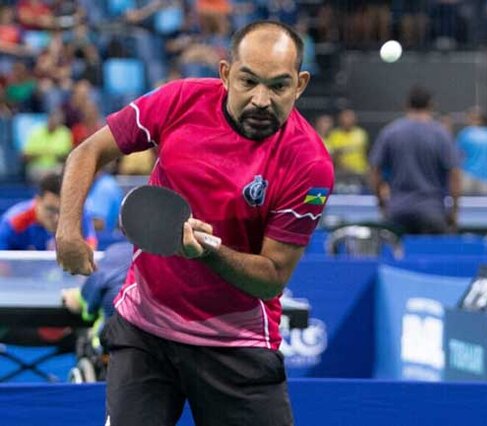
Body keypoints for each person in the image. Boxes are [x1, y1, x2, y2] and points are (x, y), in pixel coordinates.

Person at [55, 20, 334, 426]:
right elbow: (88, 151)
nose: (261, 100)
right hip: (145, 330)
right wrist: (68, 229)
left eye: (278, 86)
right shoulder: (180, 100)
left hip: (236, 344)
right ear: (225, 74)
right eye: (248, 81)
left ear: (300, 84)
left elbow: (272, 278)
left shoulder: (309, 165)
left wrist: (208, 253)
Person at [369, 85, 461, 234]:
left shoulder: (390, 132)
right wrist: (454, 213)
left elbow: (374, 170)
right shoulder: (442, 134)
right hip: (432, 212)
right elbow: (454, 175)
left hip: (398, 212)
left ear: (406, 105)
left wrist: (381, 204)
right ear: (431, 105)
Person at [0, 173, 96, 250]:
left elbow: (90, 253)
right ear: (38, 201)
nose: (56, 218)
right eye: (50, 209)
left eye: (63, 212)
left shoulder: (79, 215)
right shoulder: (13, 223)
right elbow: (2, 263)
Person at [456, 106, 487, 195]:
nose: (469, 120)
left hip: (479, 176)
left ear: (480, 119)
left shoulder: (465, 134)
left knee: (467, 201)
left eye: (471, 117)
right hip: (471, 175)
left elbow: (457, 154)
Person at [326, 108, 369, 180]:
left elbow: (366, 152)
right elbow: (331, 155)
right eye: (346, 117)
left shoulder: (361, 133)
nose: (348, 120)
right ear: (340, 119)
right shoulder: (334, 135)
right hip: (340, 173)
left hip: (359, 172)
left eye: (351, 117)